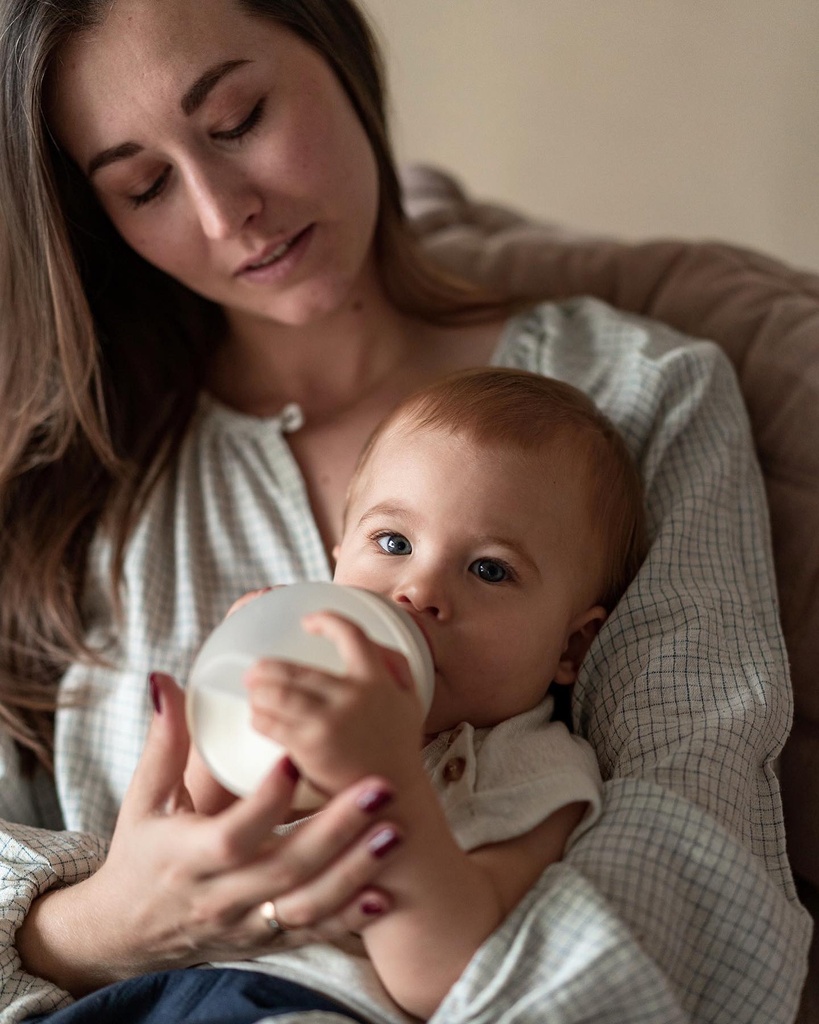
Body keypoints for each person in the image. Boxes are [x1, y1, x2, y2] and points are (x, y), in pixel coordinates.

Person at [0, 0, 809, 1022]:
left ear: (338, 55)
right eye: (145, 184)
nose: (221, 213)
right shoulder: (72, 480)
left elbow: (694, 846)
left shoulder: (640, 392)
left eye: (241, 118)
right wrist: (106, 920)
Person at [185, 367, 647, 1018]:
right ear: (336, 564)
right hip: (161, 987)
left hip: (309, 1004)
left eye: (489, 569)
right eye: (393, 542)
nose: (418, 591)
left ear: (569, 648)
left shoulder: (530, 769)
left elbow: (446, 980)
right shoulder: (305, 700)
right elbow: (188, 845)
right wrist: (224, 692)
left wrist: (387, 777)